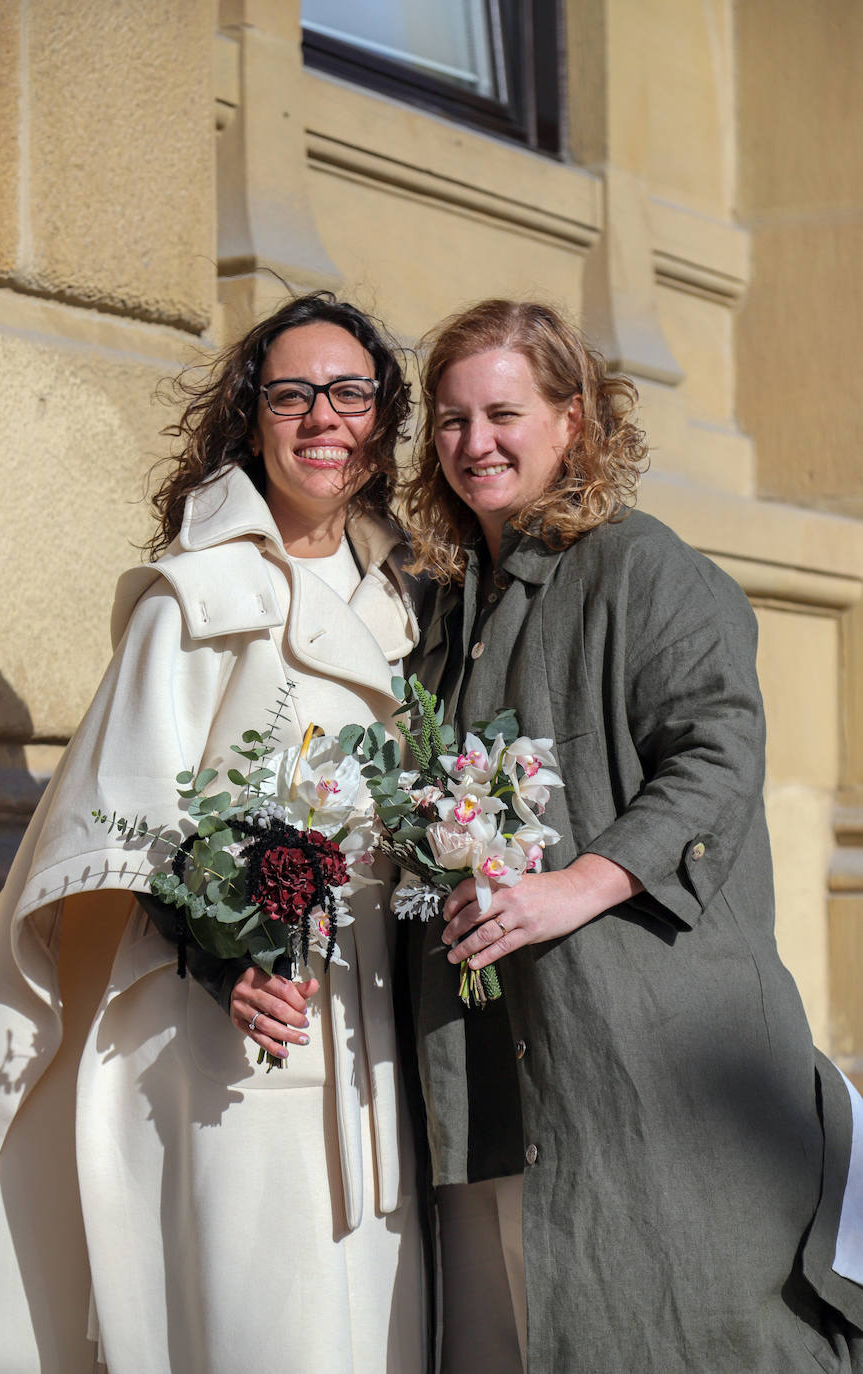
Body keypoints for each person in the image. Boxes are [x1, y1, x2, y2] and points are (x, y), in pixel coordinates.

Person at [0, 292, 426, 1374]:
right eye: (291, 394)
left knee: (373, 1320)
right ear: (252, 417)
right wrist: (228, 966)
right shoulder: (196, 596)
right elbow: (119, 822)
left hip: (378, 1022)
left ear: (380, 420)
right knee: (269, 1315)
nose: (321, 419)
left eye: (349, 394)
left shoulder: (401, 601)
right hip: (234, 1026)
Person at [401, 298, 863, 1374]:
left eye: (503, 412)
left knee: (700, 1316)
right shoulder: (442, 605)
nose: (475, 443)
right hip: (500, 1040)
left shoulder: (643, 568)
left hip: (653, 1032)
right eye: (452, 419)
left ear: (573, 419)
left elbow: (716, 756)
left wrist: (579, 883)